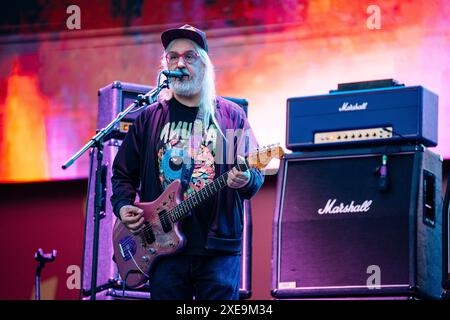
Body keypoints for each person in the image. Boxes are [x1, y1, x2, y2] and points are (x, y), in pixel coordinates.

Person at [111, 24, 264, 300]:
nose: (180, 62)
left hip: (216, 249)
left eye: (189, 56)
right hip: (161, 246)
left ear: (204, 66)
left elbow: (251, 177)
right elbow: (123, 173)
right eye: (173, 57)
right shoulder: (150, 119)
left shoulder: (225, 118)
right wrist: (122, 206)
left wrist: (246, 179)